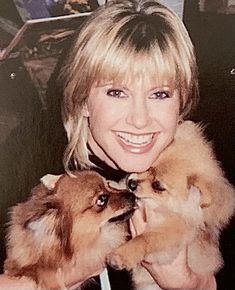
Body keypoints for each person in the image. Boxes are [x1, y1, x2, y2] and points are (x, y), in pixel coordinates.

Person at [0, 0, 217, 289]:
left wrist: (190, 283)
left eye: (160, 94)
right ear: (82, 100)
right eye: (117, 92)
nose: (140, 120)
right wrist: (59, 277)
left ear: (182, 103)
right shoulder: (27, 156)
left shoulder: (199, 168)